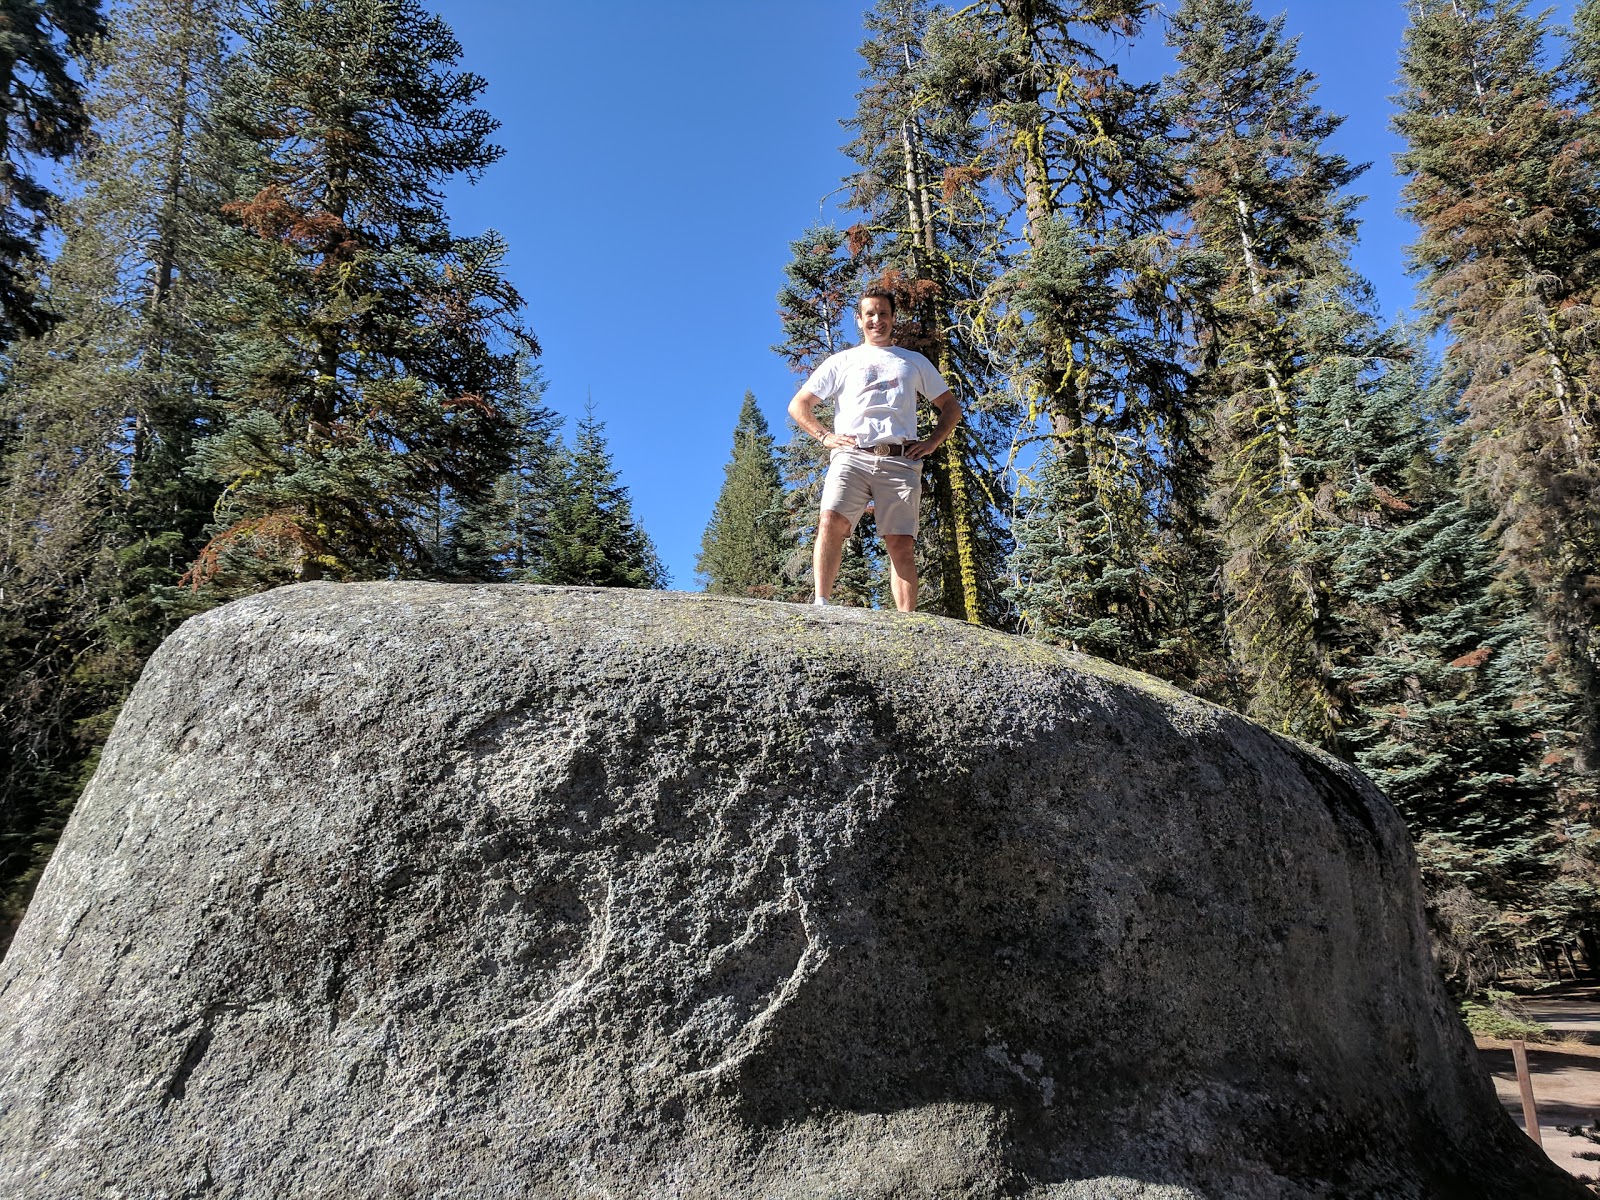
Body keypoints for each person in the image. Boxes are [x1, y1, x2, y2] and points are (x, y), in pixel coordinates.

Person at [787, 287, 962, 612]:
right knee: (830, 521)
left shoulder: (913, 362)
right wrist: (824, 436)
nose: (876, 320)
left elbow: (951, 407)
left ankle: (906, 622)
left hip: (900, 460)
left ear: (893, 318)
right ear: (859, 319)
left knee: (900, 541)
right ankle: (821, 604)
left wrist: (932, 442)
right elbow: (799, 405)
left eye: (883, 313)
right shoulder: (842, 361)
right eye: (870, 314)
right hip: (851, 455)